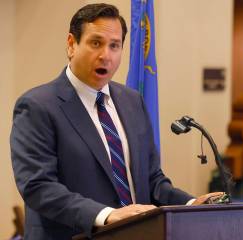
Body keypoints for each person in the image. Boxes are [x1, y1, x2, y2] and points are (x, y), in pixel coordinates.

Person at [10, 3, 222, 240]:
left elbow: (152, 181)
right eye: (96, 43)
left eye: (115, 46)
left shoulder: (132, 102)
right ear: (71, 44)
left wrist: (191, 203)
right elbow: (38, 187)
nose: (105, 56)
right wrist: (106, 215)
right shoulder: (37, 106)